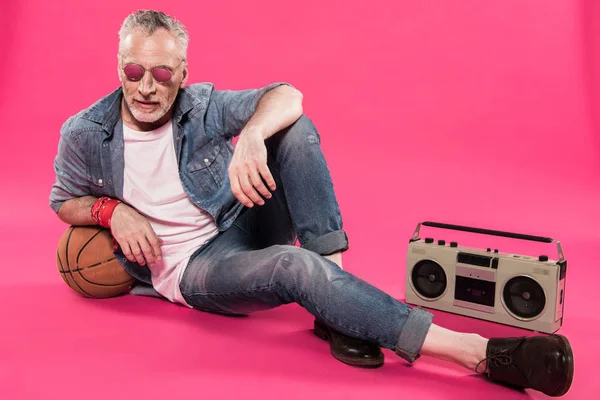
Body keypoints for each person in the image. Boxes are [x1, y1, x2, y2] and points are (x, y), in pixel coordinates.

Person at [49, 9, 574, 397]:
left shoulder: (201, 105)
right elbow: (63, 201)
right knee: (294, 265)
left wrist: (252, 136)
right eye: (133, 71)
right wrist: (111, 211)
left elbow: (289, 95)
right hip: (194, 267)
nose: (145, 87)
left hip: (239, 220)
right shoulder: (86, 132)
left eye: (161, 74)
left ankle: (334, 308)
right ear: (118, 65)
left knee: (294, 130)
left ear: (181, 74)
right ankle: (482, 355)